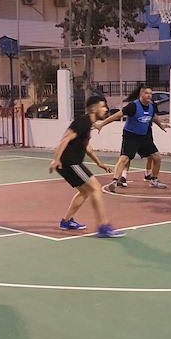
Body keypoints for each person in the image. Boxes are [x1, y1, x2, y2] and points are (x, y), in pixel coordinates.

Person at [49, 95, 123, 238]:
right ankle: (103, 226)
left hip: (70, 163)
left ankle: (66, 222)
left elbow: (87, 147)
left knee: (85, 192)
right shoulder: (83, 121)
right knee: (96, 188)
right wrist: (56, 159)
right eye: (103, 106)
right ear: (94, 109)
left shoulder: (87, 124)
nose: (106, 109)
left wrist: (99, 163)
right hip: (69, 162)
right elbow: (65, 138)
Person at [96, 86, 169, 190]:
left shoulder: (151, 106)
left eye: (150, 93)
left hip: (144, 136)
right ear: (141, 95)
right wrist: (102, 124)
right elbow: (117, 115)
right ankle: (115, 181)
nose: (149, 95)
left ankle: (154, 179)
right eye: (147, 93)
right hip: (131, 136)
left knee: (157, 157)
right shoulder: (133, 106)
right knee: (124, 158)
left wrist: (161, 126)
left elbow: (154, 117)